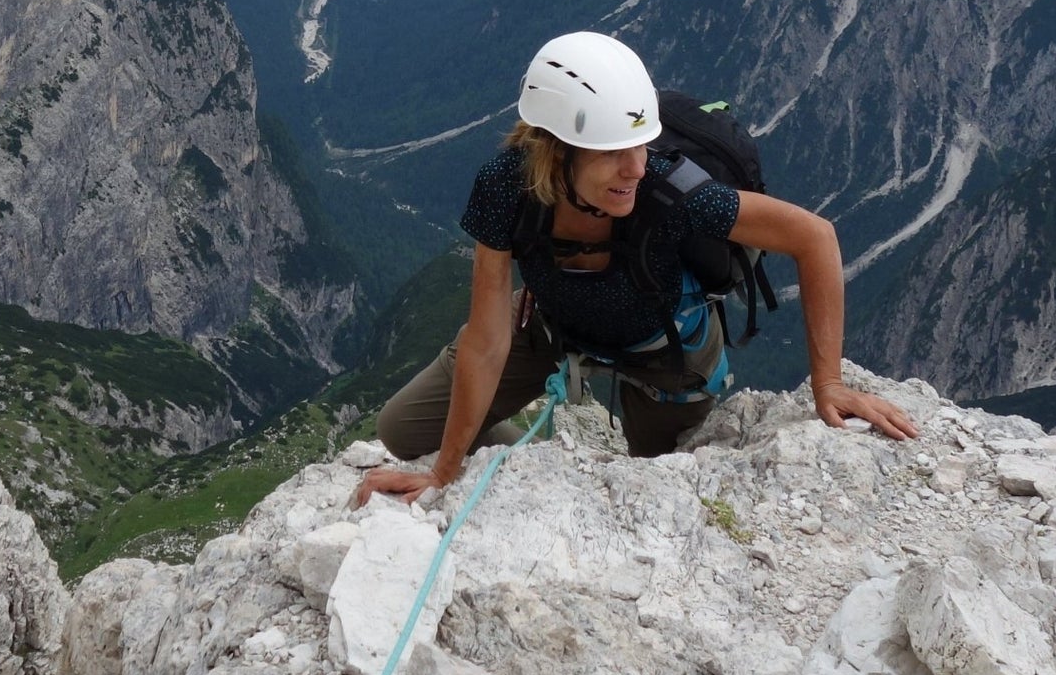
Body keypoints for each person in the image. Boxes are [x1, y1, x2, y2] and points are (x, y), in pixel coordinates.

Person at [354, 31, 916, 505]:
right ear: (554, 151)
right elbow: (486, 339)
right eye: (611, 152)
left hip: (664, 355)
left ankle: (547, 454)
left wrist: (830, 383)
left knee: (656, 477)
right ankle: (527, 458)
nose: (635, 168)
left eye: (642, 144)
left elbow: (814, 238)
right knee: (404, 430)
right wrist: (443, 472)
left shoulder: (671, 191)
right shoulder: (506, 187)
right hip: (553, 325)